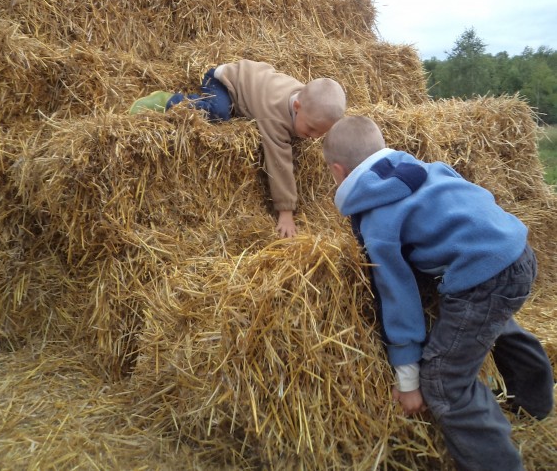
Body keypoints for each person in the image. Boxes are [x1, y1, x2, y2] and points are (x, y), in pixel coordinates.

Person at [322, 115, 554, 471]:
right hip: (516, 253)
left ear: (338, 172)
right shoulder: (426, 168)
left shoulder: (378, 221)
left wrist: (409, 379)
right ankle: (536, 403)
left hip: (483, 279)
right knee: (492, 323)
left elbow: (396, 297)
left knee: (445, 382)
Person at [130, 60, 346, 238]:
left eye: (321, 133)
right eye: (311, 129)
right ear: (297, 108)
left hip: (253, 78)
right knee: (219, 113)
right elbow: (279, 162)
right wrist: (286, 211)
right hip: (224, 81)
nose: (314, 137)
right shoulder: (274, 114)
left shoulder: (305, 100)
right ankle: (166, 101)